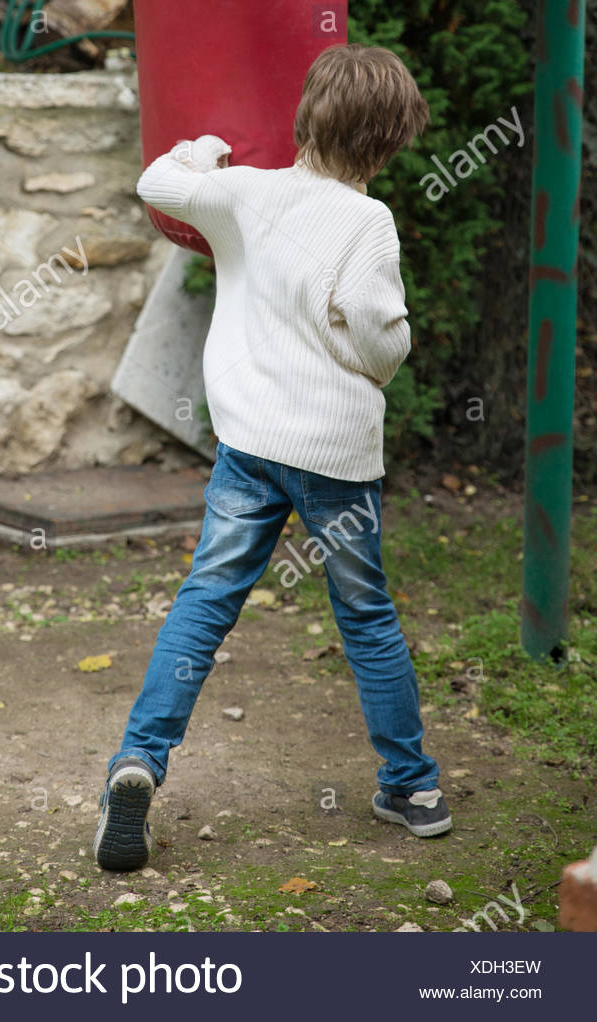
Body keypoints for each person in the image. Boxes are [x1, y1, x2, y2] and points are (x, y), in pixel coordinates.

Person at [93, 43, 451, 872]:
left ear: (306, 117)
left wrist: (207, 150)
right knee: (366, 618)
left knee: (206, 600)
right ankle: (410, 785)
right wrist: (378, 347)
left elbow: (157, 183)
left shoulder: (244, 194)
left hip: (247, 446)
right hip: (335, 456)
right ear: (388, 142)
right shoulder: (368, 223)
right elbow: (379, 342)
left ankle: (139, 760)